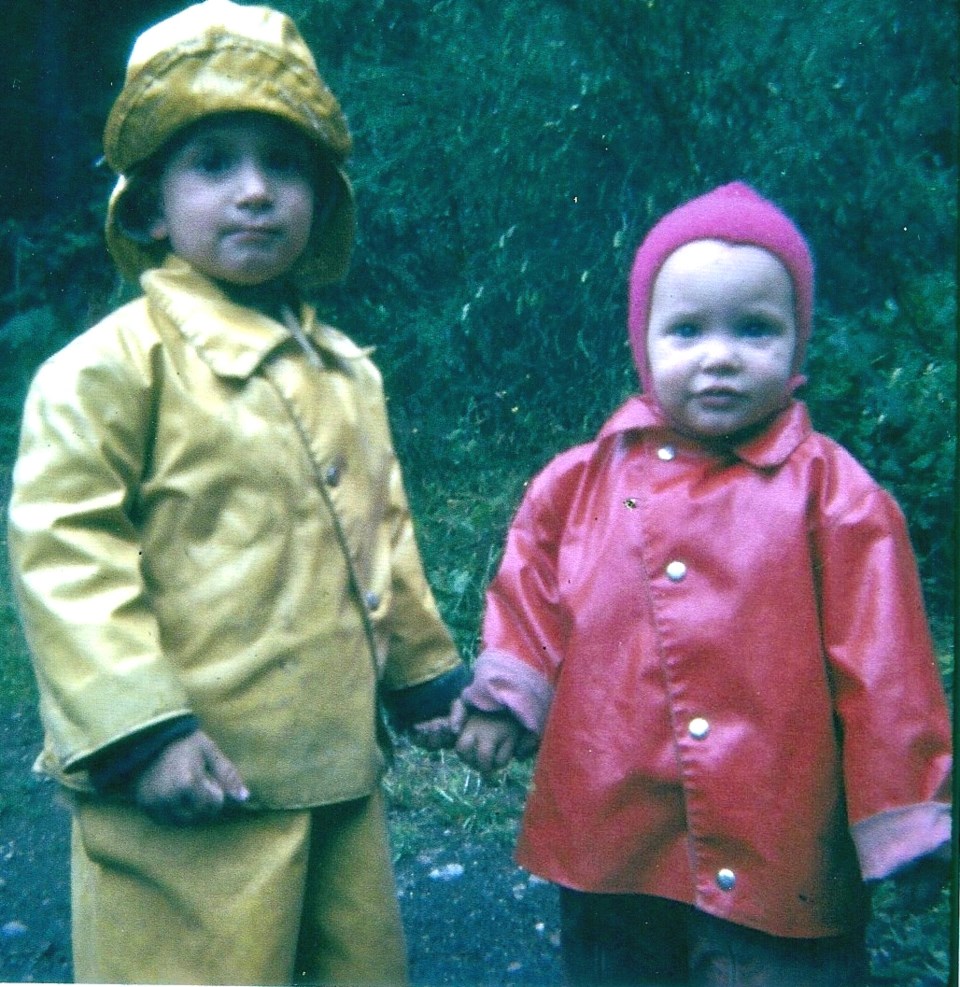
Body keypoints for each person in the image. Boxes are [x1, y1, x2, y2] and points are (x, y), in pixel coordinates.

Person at [7, 2, 467, 983]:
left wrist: (425, 677)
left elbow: (380, 533)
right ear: (150, 205)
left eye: (284, 163)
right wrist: (141, 730)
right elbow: (64, 552)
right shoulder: (110, 371)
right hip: (184, 791)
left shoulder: (348, 372)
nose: (255, 191)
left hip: (336, 775)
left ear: (324, 196)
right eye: (213, 161)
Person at [453, 182, 953, 986]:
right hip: (612, 822)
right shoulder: (577, 482)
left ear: (797, 343)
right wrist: (509, 692)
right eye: (687, 329)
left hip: (779, 838)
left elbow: (885, 670)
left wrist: (901, 816)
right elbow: (531, 594)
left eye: (754, 329)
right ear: (643, 342)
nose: (719, 355)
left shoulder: (839, 497)